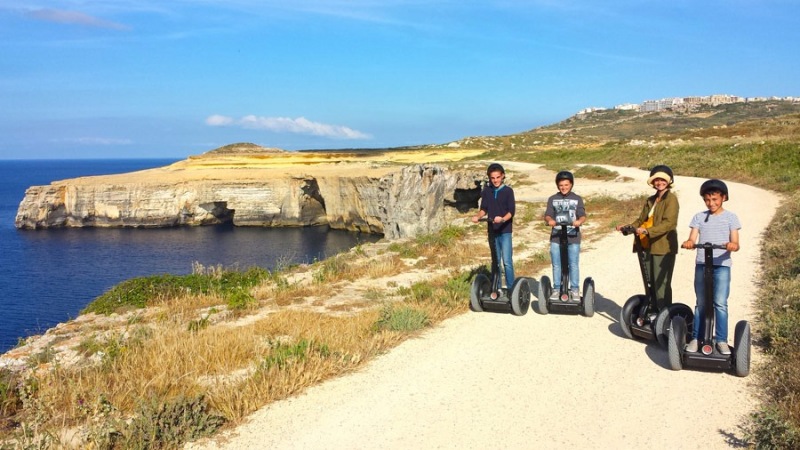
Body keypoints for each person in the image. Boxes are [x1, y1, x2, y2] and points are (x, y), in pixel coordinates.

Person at [681, 179, 741, 355]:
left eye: (715, 199)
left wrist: (732, 245)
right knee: (701, 303)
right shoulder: (699, 217)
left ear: (723, 198)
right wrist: (690, 242)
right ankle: (696, 338)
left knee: (720, 303)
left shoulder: (731, 217)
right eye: (707, 200)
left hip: (721, 265)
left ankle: (721, 340)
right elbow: (692, 237)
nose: (711, 203)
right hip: (702, 264)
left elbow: (736, 242)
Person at [615, 165, 679, 312]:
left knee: (660, 283)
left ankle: (664, 315)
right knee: (649, 281)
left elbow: (669, 223)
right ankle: (652, 311)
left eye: (663, 179)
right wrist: (627, 228)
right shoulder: (651, 200)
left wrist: (648, 231)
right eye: (656, 179)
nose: (659, 182)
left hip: (663, 246)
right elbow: (640, 220)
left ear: (669, 181)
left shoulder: (671, 199)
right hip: (647, 245)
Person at [472, 163, 515, 298]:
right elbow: (484, 208)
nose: (495, 180)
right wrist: (478, 216)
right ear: (489, 178)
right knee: (495, 260)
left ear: (502, 176)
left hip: (505, 230)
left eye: (498, 177)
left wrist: (502, 219)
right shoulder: (487, 191)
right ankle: (496, 288)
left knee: (506, 261)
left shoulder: (508, 191)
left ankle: (511, 289)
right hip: (492, 230)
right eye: (493, 178)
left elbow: (511, 212)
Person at [544, 171, 586, 300]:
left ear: (571, 184)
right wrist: (549, 220)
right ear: (557, 185)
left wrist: (579, 221)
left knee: (573, 264)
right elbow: (548, 214)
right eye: (561, 185)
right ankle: (556, 288)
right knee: (556, 264)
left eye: (566, 185)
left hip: (573, 236)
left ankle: (574, 289)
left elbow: (582, 215)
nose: (564, 187)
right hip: (556, 235)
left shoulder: (577, 198)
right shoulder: (552, 199)